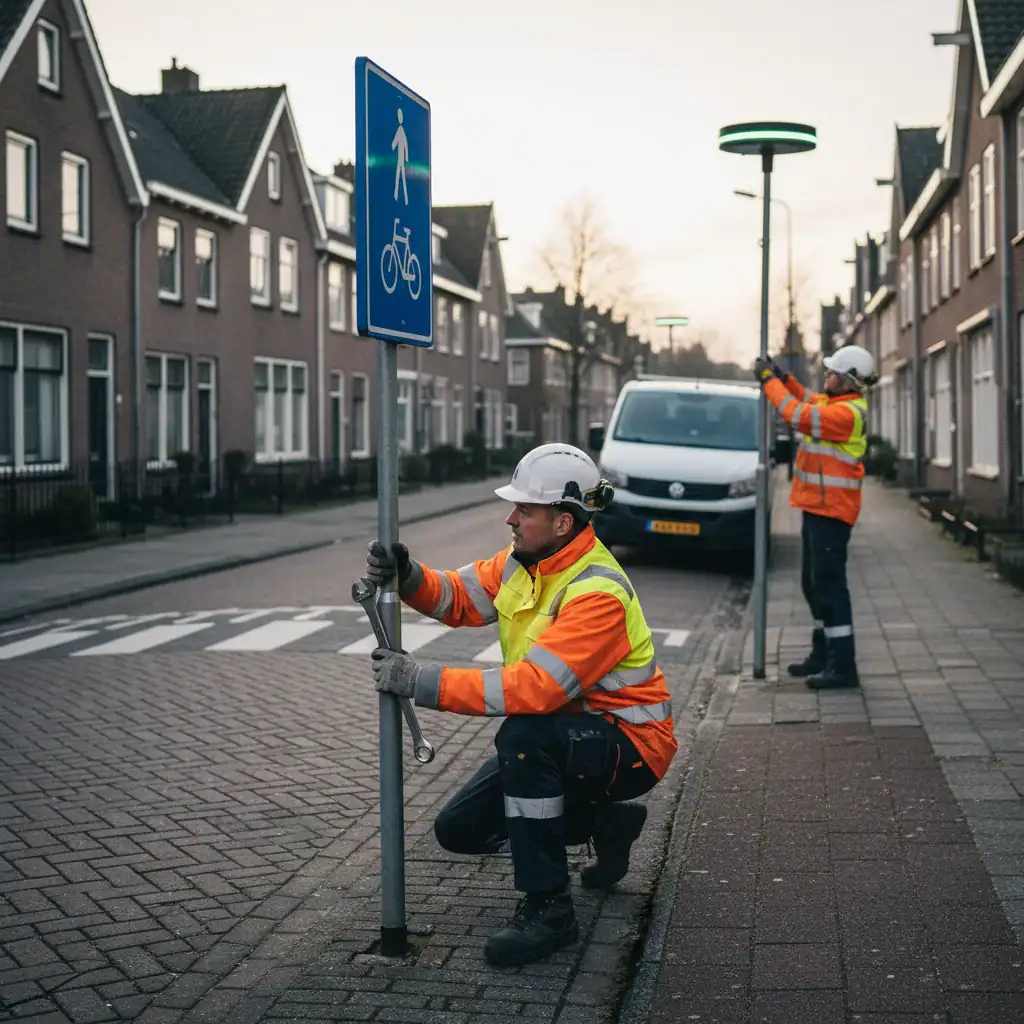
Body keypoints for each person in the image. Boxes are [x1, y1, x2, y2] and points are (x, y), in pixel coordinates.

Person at [365, 443, 678, 968]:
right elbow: (457, 597)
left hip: (632, 746)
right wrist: (408, 572)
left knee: (524, 738)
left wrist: (419, 681)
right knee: (459, 830)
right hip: (568, 739)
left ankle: (550, 909)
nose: (510, 519)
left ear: (562, 522)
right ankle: (604, 824)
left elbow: (537, 689)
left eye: (523, 510)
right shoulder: (523, 562)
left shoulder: (597, 592)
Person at [753, 345, 877, 690]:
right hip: (818, 507)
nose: (826, 375)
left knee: (830, 587)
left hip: (832, 511)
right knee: (813, 585)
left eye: (832, 372)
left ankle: (843, 666)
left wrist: (768, 381)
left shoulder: (846, 414)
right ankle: (823, 654)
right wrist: (783, 377)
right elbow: (804, 397)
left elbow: (796, 414)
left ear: (847, 380)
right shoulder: (834, 403)